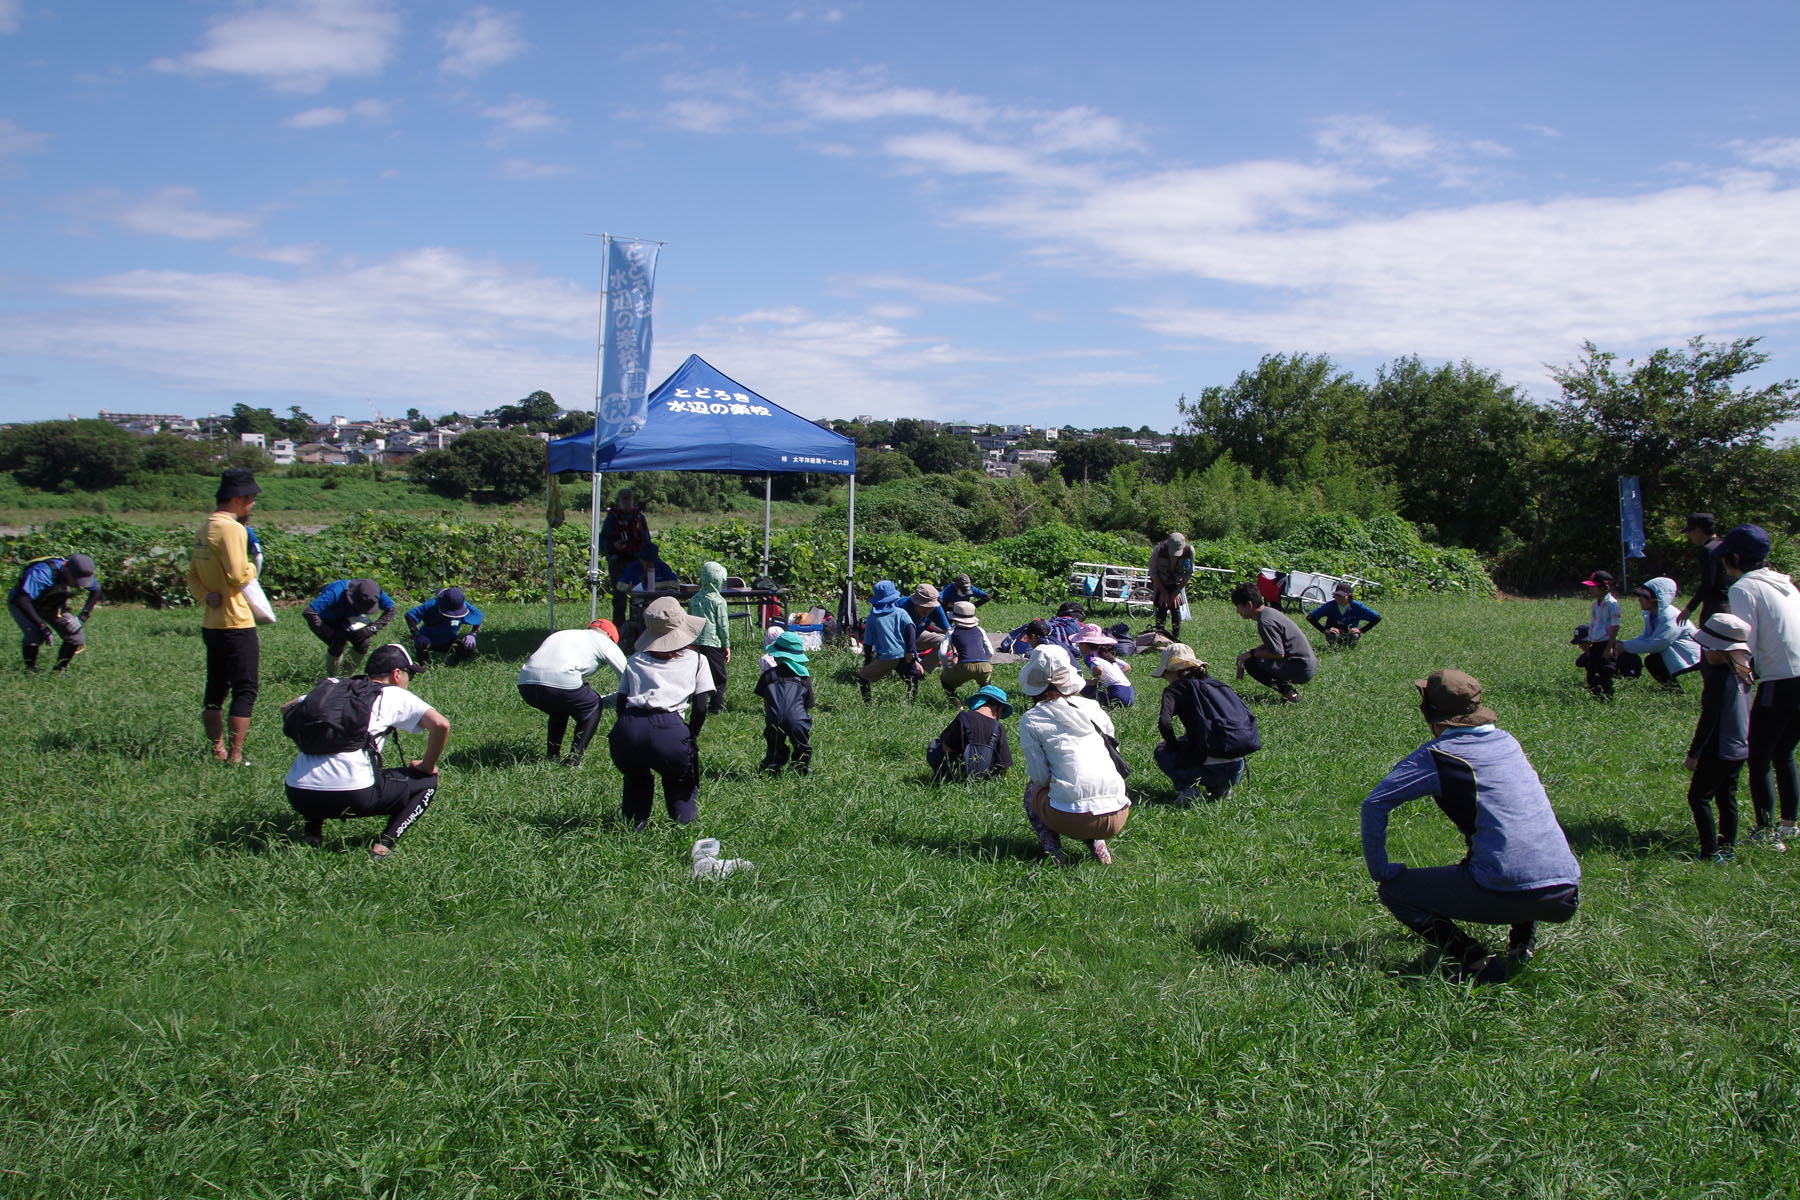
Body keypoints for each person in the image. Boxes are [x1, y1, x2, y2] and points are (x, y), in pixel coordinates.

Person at [1360, 669, 1581, 985]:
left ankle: (1474, 960)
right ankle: (1522, 945)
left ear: (1431, 712)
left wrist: (1380, 869)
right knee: (1514, 844)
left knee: (1395, 892)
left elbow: (1374, 804)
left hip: (1504, 886)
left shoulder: (1439, 755)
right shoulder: (1508, 741)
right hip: (1565, 890)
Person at [282, 643, 448, 859]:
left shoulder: (334, 688)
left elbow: (286, 707)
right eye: (410, 675)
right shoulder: (392, 694)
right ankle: (384, 846)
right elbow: (441, 724)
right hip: (354, 795)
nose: (409, 681)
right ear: (396, 674)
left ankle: (312, 832)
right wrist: (426, 766)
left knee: (320, 770)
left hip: (298, 793)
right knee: (426, 782)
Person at [1719, 524, 1800, 850]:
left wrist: (1737, 672)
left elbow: (1742, 640)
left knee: (1759, 756)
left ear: (1735, 557)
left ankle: (1766, 833)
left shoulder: (1743, 588)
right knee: (1784, 753)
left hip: (1779, 680)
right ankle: (1789, 826)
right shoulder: (1787, 585)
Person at [1017, 644, 1131, 865]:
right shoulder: (1092, 707)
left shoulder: (1031, 719)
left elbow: (1040, 777)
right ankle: (1098, 845)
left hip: (1072, 817)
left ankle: (1053, 850)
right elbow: (1113, 752)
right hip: (1118, 811)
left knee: (1033, 791)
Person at [609, 596, 715, 829]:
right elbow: (700, 706)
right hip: (670, 730)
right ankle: (684, 826)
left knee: (636, 779)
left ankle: (634, 826)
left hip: (628, 728)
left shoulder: (635, 659)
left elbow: (621, 702)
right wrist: (691, 736)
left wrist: (629, 729)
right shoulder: (698, 660)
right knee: (680, 781)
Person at [187, 467, 263, 764]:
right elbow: (237, 573)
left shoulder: (205, 527)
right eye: (251, 499)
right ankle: (235, 755)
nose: (253, 504)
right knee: (245, 688)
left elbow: (193, 575)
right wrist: (254, 565)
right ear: (237, 498)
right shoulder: (233, 529)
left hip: (212, 622)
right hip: (236, 622)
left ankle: (216, 749)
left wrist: (204, 596)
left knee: (215, 688)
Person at [1151, 643, 1260, 802]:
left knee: (1161, 751)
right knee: (1191, 740)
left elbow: (1164, 723)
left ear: (1171, 671)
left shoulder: (1175, 689)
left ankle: (1188, 790)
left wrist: (1172, 745)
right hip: (1237, 767)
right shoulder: (1219, 686)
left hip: (1208, 766)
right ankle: (1222, 789)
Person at [1685, 614, 1754, 863]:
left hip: (1719, 746)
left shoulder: (1718, 678)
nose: (1705, 653)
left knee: (1698, 797)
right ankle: (1728, 848)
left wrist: (1695, 753)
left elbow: (1709, 720)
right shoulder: (1744, 671)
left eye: (1708, 648)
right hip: (1740, 746)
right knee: (1727, 797)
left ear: (1721, 650)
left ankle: (1709, 852)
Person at [516, 619, 626, 765]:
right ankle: (573, 761)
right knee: (593, 704)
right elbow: (630, 680)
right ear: (610, 637)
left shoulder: (562, 634)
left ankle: (552, 757)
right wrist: (605, 701)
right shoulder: (604, 641)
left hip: (525, 683)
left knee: (560, 708)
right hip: (560, 681)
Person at [9, 552, 99, 672]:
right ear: (67, 570)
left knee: (75, 635)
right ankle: (30, 670)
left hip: (51, 604)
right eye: (76, 580)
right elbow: (23, 600)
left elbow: (96, 591)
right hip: (23, 604)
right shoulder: (42, 573)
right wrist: (42, 626)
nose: (79, 585)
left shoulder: (81, 571)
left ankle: (59, 671)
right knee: (35, 634)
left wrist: (82, 617)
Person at [1231, 580, 1317, 704]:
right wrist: (1253, 652)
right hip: (1306, 664)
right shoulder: (1269, 612)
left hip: (1301, 668)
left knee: (1251, 663)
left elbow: (1277, 653)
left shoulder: (1265, 622)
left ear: (1249, 604)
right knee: (1253, 658)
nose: (1237, 611)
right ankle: (1289, 692)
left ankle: (1290, 694)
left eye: (1238, 606)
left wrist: (1251, 654)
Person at [304, 578, 396, 676]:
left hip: (349, 617)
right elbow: (309, 612)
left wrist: (371, 629)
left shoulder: (374, 591)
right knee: (338, 643)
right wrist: (330, 634)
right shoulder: (336, 591)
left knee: (363, 643)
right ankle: (333, 678)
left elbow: (392, 609)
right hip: (325, 619)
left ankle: (346, 677)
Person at [1620, 577, 1701, 688]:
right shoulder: (1652, 614)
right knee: (1653, 660)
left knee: (1653, 661)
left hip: (1692, 656)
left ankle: (1673, 691)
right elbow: (1646, 637)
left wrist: (1624, 646)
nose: (1639, 599)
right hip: (1674, 653)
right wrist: (1620, 644)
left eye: (1643, 596)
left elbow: (1658, 644)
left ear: (1656, 599)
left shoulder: (1670, 615)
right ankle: (1671, 689)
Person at [755, 629, 813, 775]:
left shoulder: (769, 676)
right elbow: (807, 707)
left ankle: (771, 766)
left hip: (774, 719)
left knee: (774, 745)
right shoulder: (804, 679)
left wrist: (771, 717)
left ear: (778, 656)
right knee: (802, 746)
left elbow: (766, 702)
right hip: (798, 720)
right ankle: (801, 768)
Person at [927, 684, 1014, 781]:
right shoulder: (999, 728)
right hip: (983, 779)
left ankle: (939, 778)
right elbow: (1004, 764)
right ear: (1000, 707)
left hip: (956, 776)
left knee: (935, 745)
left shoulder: (963, 717)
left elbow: (947, 748)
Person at [859, 580, 921, 703]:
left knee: (862, 676)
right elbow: (911, 630)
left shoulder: (872, 618)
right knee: (911, 677)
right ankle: (911, 701)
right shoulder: (901, 613)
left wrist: (867, 662)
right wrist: (911, 651)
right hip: (904, 655)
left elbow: (867, 643)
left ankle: (867, 703)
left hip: (886, 657)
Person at [688, 561, 732, 714]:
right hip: (713, 643)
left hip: (695, 643)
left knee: (697, 675)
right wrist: (726, 645)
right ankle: (715, 706)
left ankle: (694, 702)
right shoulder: (718, 601)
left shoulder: (694, 599)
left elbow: (689, 621)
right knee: (719, 677)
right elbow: (723, 625)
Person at [600, 489, 650, 624]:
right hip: (618, 562)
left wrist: (648, 561)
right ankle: (619, 628)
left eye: (629, 499)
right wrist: (613, 546)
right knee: (619, 598)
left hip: (636, 562)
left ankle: (638, 627)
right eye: (624, 499)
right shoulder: (612, 518)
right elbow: (603, 541)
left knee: (639, 597)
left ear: (633, 501)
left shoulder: (640, 518)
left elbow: (647, 541)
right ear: (618, 502)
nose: (627, 502)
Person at [405, 586, 483, 665]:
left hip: (450, 640)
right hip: (427, 639)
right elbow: (410, 616)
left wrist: (473, 634)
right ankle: (423, 665)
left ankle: (455, 664)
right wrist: (417, 634)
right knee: (421, 645)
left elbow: (478, 616)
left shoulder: (463, 605)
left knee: (469, 646)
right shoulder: (431, 605)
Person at [1676, 513, 1730, 626]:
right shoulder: (1725, 545)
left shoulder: (1708, 550)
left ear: (1698, 530)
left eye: (1690, 532)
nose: (1690, 536)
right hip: (1732, 603)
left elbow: (1708, 583)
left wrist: (1689, 609)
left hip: (1715, 606)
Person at [1575, 570, 1622, 698]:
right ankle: (1596, 698)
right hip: (1595, 643)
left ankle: (1608, 700)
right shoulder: (1596, 604)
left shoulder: (1612, 604)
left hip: (1606, 643)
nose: (1590, 589)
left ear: (1604, 587)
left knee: (1604, 675)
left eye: (1593, 587)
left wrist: (1609, 647)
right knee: (1591, 676)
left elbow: (1615, 626)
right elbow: (1594, 624)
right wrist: (1590, 641)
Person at [939, 600, 994, 702]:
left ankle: (957, 704)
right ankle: (984, 702)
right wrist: (986, 662)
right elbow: (990, 651)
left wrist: (946, 667)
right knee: (985, 681)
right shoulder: (980, 630)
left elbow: (942, 653)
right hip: (983, 665)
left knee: (945, 680)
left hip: (963, 665)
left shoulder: (952, 631)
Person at [1149, 532, 1196, 640]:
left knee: (1175, 606)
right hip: (1160, 581)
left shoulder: (1190, 551)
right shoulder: (1158, 550)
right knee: (1162, 604)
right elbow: (1153, 572)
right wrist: (1163, 592)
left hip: (1176, 583)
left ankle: (1176, 636)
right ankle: (1159, 634)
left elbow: (1189, 573)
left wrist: (1177, 591)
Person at [1076, 624, 1135, 708]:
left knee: (1082, 685)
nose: (1079, 647)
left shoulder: (1090, 658)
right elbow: (1127, 666)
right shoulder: (1105, 655)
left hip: (1118, 696)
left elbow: (1098, 669)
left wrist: (1094, 682)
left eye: (1079, 644)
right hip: (1130, 694)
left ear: (1085, 645)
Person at [1306, 582, 1382, 646]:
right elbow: (1310, 617)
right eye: (1337, 596)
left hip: (1350, 632)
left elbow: (1376, 618)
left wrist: (1361, 630)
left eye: (1342, 596)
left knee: (1354, 635)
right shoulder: (1330, 605)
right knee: (1332, 634)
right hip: (1335, 631)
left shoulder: (1357, 606)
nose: (1339, 599)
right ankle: (1333, 647)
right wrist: (1325, 629)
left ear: (1349, 596)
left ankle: (1350, 649)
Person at [900, 583, 951, 673]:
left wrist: (956, 653)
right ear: (915, 602)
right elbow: (891, 636)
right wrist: (913, 660)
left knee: (945, 642)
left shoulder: (936, 608)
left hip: (917, 636)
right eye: (924, 607)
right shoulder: (901, 607)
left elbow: (949, 632)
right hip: (897, 641)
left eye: (931, 607)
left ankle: (923, 670)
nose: (928, 610)